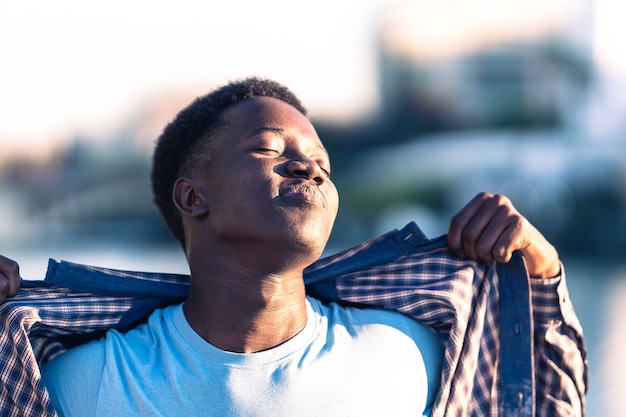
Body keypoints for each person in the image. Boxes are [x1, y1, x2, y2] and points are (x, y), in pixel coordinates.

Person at [0, 77, 586, 417]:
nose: (308, 165)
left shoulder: (410, 354)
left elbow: (542, 398)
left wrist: (539, 272)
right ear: (192, 195)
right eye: (269, 148)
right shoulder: (86, 383)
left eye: (323, 162)